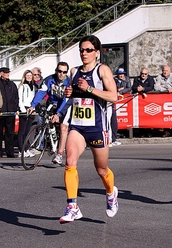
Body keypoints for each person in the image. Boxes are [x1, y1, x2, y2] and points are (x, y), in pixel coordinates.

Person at [59, 35, 119, 223]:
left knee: (101, 170)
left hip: (97, 127)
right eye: (81, 50)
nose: (84, 53)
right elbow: (73, 94)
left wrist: (90, 89)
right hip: (77, 125)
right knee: (69, 161)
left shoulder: (103, 70)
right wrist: (68, 93)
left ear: (97, 53)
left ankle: (111, 193)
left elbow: (114, 96)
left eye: (88, 50)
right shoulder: (74, 71)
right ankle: (72, 206)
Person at [27, 62, 72, 165]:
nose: (61, 74)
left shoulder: (69, 82)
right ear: (56, 71)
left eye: (64, 72)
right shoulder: (49, 80)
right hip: (53, 103)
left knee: (63, 127)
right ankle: (53, 142)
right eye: (59, 71)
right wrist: (32, 105)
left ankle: (59, 154)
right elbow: (41, 92)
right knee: (48, 120)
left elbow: (66, 100)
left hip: (66, 105)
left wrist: (58, 114)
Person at [0, 67, 19, 158]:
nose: (7, 74)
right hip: (1, 112)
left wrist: (15, 107)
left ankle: (10, 151)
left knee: (10, 133)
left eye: (8, 72)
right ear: (1, 73)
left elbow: (16, 96)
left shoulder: (12, 84)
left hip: (10, 112)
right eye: (5, 72)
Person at [17, 70, 37, 158]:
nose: (29, 77)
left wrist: (33, 108)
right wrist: (23, 110)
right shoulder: (22, 86)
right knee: (22, 131)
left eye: (30, 75)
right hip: (24, 109)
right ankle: (21, 150)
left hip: (31, 109)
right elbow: (19, 99)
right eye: (27, 75)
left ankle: (26, 149)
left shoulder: (33, 86)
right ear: (24, 76)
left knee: (27, 131)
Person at [110, 67, 132, 146]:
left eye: (122, 74)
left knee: (113, 120)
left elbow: (129, 88)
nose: (121, 76)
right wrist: (117, 90)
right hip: (111, 100)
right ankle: (111, 139)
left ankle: (113, 138)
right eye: (119, 74)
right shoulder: (114, 80)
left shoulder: (127, 79)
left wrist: (121, 91)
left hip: (117, 99)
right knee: (110, 120)